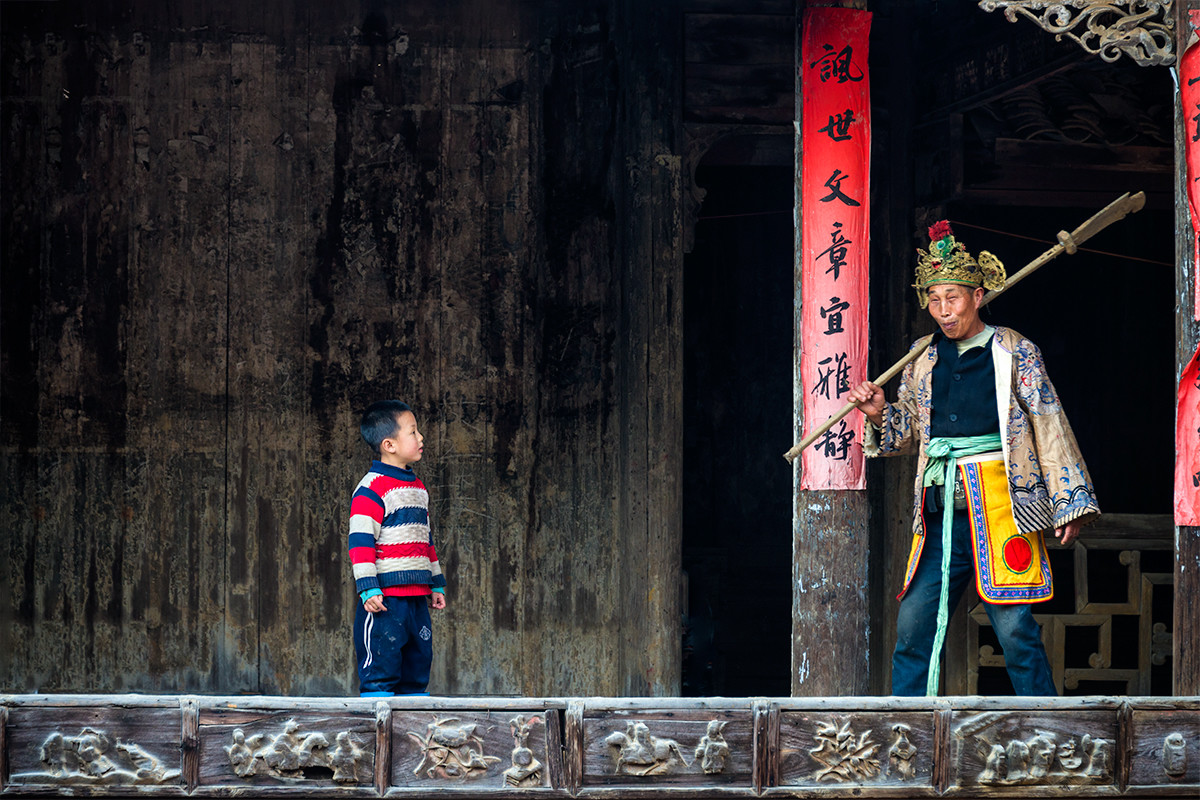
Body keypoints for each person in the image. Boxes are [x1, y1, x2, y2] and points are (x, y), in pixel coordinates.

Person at [847, 220, 1099, 696]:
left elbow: (1049, 421)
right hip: (940, 515)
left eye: (954, 297)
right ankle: (909, 737)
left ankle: (1047, 732)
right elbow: (909, 434)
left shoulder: (1013, 350)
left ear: (978, 295)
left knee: (1015, 633)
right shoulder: (922, 357)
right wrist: (880, 413)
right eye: (934, 299)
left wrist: (1071, 502)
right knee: (912, 629)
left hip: (1003, 510)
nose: (943, 311)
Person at [349, 399, 447, 696]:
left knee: (418, 668)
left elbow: (425, 540)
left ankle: (412, 733)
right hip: (386, 600)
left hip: (417, 598)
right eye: (413, 432)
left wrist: (436, 583)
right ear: (389, 444)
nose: (421, 438)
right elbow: (360, 542)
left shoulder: (417, 488)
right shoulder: (371, 488)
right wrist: (368, 588)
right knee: (380, 669)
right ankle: (378, 733)